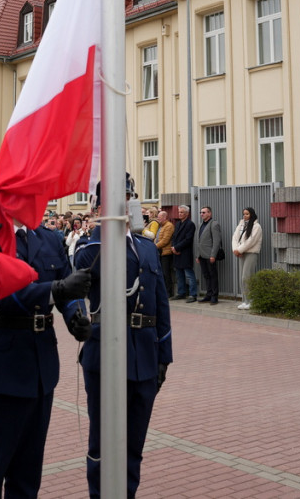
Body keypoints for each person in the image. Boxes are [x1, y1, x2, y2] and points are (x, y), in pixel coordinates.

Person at [0, 171, 91, 499]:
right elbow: (0, 291)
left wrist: (76, 312)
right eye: (30, 192)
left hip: (39, 366)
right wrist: (57, 289)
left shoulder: (46, 238)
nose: (39, 199)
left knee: (27, 473)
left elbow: (67, 281)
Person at [73, 176, 172, 499]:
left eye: (130, 195)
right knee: (103, 441)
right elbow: (84, 267)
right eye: (121, 196)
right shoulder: (94, 246)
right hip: (105, 356)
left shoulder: (145, 246)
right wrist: (106, 225)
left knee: (134, 443)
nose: (128, 201)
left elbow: (161, 304)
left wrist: (164, 356)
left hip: (144, 355)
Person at [232, 207, 263, 310]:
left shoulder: (256, 226)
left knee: (247, 277)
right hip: (241, 253)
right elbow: (235, 238)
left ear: (252, 215)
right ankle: (245, 300)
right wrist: (236, 250)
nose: (245, 216)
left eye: (247, 214)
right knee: (242, 277)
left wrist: (239, 250)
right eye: (244, 214)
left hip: (251, 253)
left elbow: (251, 241)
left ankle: (251, 301)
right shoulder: (241, 225)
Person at [196, 205, 224, 305]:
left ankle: (214, 296)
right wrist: (198, 255)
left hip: (210, 255)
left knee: (213, 276)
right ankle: (208, 294)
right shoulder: (200, 225)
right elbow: (199, 241)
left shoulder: (214, 224)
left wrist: (213, 255)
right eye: (201, 212)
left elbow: (216, 241)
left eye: (204, 212)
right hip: (202, 256)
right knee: (206, 276)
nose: (201, 214)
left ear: (209, 213)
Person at [170, 205, 197, 302]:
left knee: (189, 274)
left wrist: (177, 247)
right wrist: (173, 247)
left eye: (182, 212)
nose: (180, 214)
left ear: (187, 213)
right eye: (179, 212)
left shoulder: (190, 224)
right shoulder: (178, 224)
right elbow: (174, 237)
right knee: (179, 274)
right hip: (176, 252)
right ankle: (181, 293)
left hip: (185, 252)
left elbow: (188, 239)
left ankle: (193, 295)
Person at [153, 210, 175, 297]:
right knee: (161, 273)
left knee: (166, 273)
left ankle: (169, 292)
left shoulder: (169, 226)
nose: (158, 219)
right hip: (160, 252)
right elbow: (157, 237)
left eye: (159, 217)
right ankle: (163, 291)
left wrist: (154, 246)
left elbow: (165, 240)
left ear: (165, 217)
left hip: (166, 253)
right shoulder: (161, 226)